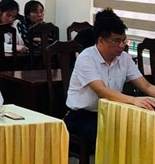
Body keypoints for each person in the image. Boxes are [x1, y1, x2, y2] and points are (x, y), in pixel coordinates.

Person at [65, 16, 155, 145]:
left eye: (124, 41)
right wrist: (134, 100)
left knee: (140, 130)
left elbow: (146, 86)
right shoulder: (86, 57)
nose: (121, 46)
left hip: (111, 112)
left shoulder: (124, 58)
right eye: (117, 41)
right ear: (101, 40)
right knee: (118, 136)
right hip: (82, 116)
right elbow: (102, 91)